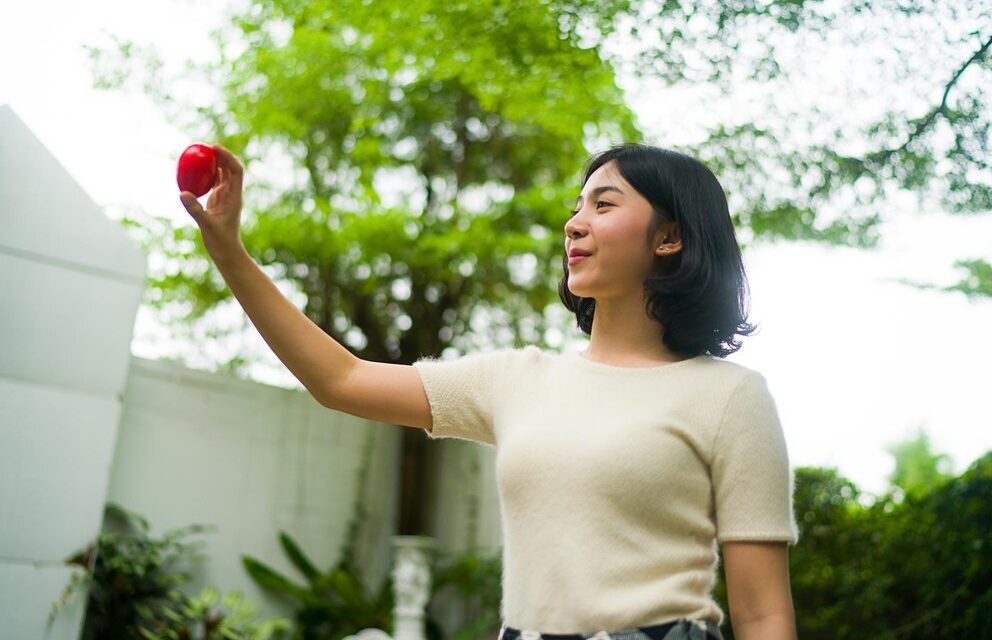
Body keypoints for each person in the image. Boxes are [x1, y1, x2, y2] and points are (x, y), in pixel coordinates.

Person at [180, 143, 799, 640]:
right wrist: (230, 252)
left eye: (604, 205)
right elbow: (339, 380)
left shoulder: (730, 397)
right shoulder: (518, 380)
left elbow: (763, 614)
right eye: (576, 207)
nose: (574, 224)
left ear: (669, 237)